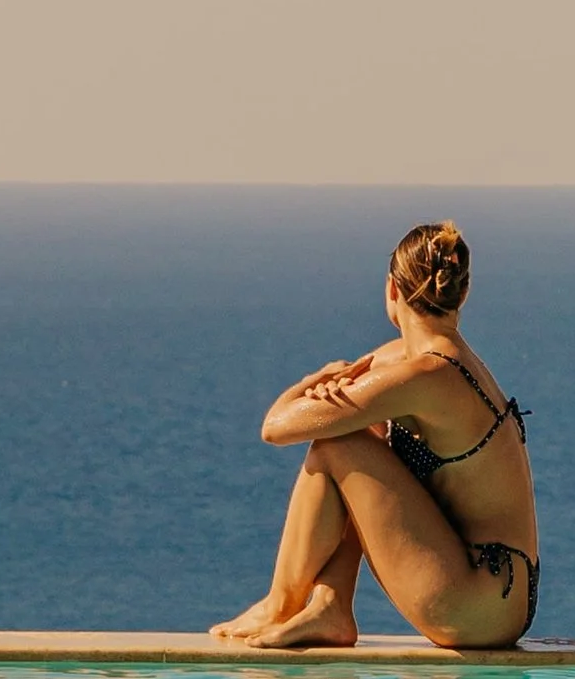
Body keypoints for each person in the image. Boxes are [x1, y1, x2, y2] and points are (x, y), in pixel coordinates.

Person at [211, 221, 540, 652]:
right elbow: (350, 402)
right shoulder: (437, 363)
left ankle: (282, 603)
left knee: (337, 442)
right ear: (461, 293)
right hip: (502, 600)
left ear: (392, 290)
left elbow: (276, 427)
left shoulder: (428, 376)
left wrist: (315, 380)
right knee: (356, 431)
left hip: (476, 605)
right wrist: (338, 399)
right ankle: (329, 606)